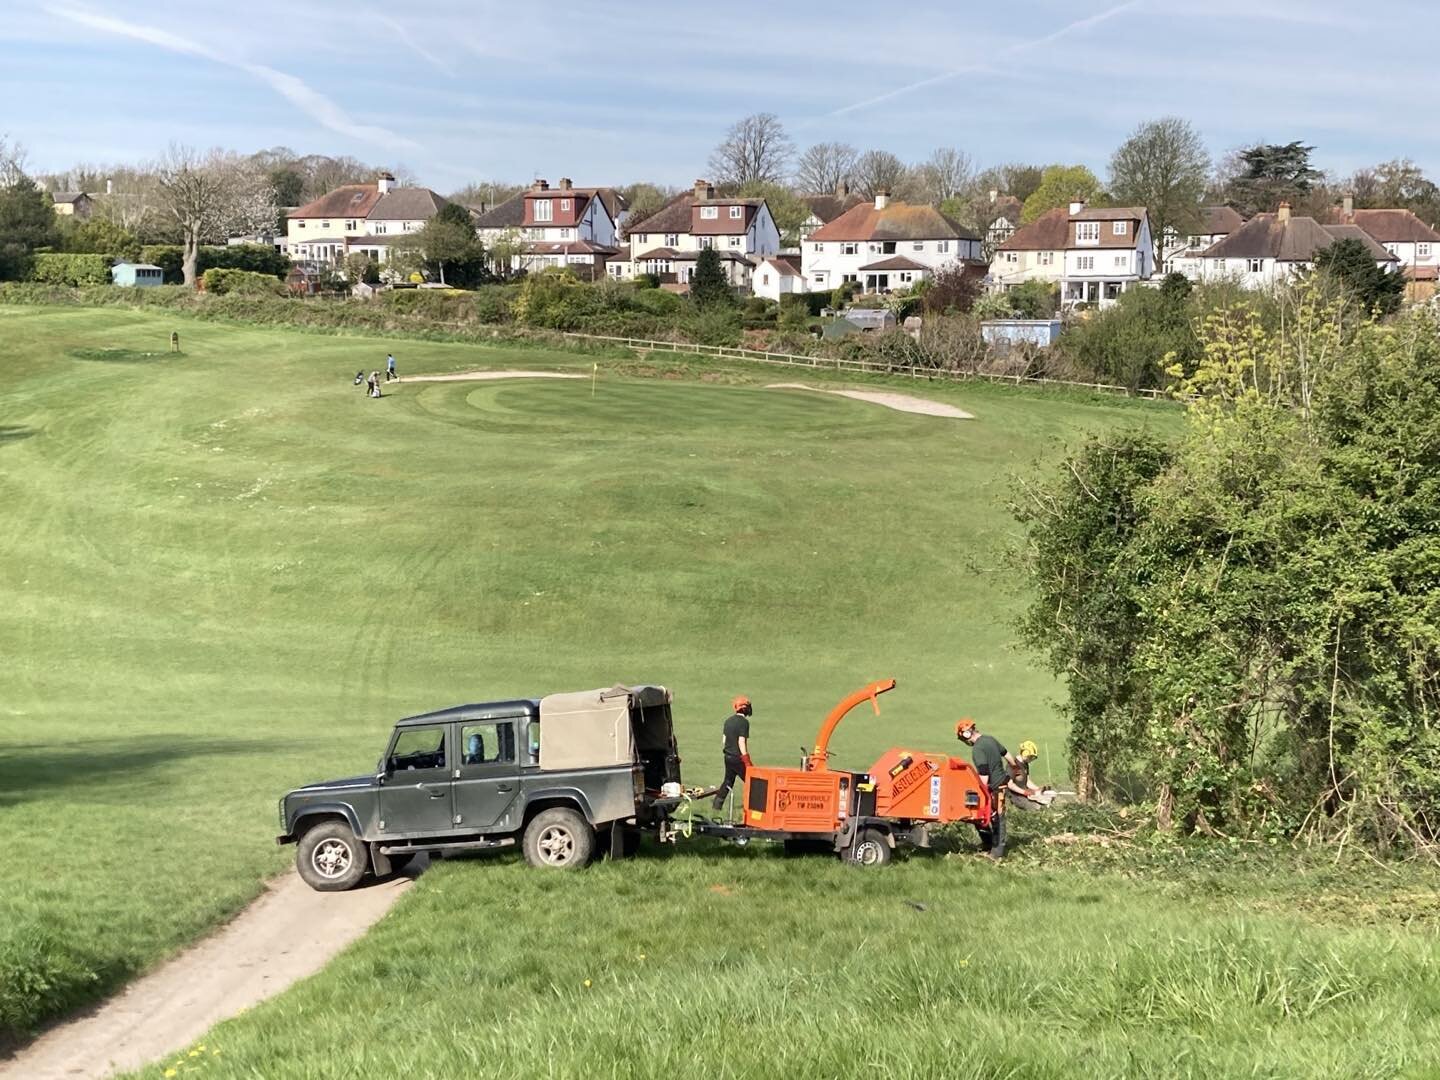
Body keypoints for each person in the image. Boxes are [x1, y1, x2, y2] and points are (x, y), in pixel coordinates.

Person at [956, 718, 1021, 860]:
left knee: (996, 817)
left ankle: (997, 852)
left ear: (966, 735)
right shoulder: (990, 739)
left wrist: (981, 791)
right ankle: (988, 843)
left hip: (994, 787)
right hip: (1001, 783)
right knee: (984, 817)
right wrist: (1015, 769)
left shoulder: (977, 749)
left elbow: (984, 773)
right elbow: (1007, 755)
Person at [713, 695, 753, 811]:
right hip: (738, 758)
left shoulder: (728, 721)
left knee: (728, 781)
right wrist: (746, 759)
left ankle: (716, 805)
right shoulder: (744, 723)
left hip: (728, 756)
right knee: (752, 781)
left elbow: (724, 740)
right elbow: (741, 741)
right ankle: (753, 806)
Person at [1006, 740, 1055, 807]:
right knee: (1036, 807)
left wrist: (1038, 789)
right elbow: (1010, 785)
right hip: (1014, 796)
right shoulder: (1013, 765)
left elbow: (1027, 781)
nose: (1032, 759)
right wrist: (1025, 792)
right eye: (1031, 757)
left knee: (1045, 801)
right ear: (1025, 754)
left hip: (1024, 793)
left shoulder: (1025, 764)